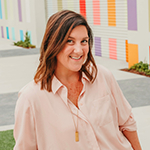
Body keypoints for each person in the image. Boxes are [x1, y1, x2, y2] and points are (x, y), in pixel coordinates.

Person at [13, 10, 142, 150]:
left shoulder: (103, 76)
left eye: (84, 41)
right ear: (53, 43)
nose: (79, 50)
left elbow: (127, 123)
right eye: (70, 41)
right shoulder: (31, 98)